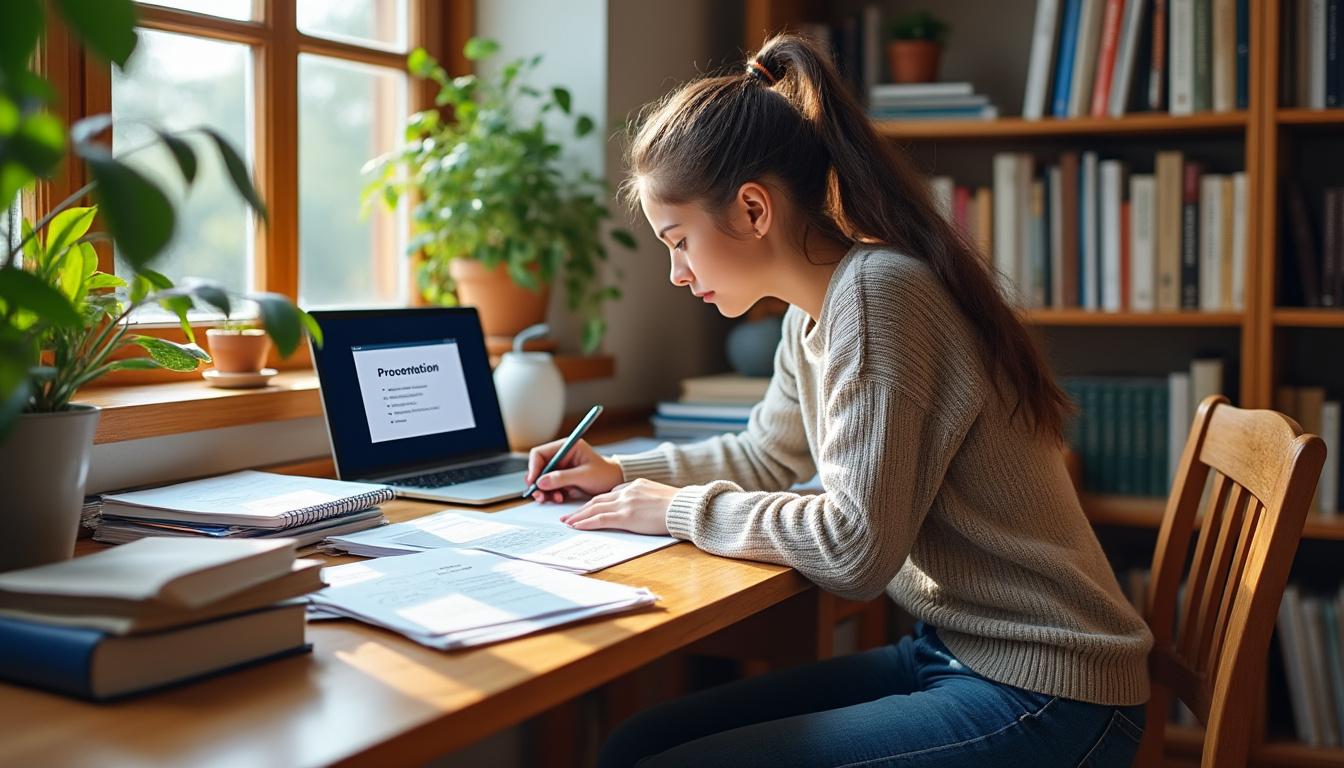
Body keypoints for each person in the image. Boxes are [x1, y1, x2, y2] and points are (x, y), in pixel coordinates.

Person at [523, 33, 1153, 768]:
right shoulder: (814, 312)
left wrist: (673, 509)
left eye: (679, 241)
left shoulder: (881, 295)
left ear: (754, 210)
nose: (675, 272)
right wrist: (628, 476)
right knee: (637, 743)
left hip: (1049, 690)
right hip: (955, 651)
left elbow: (853, 548)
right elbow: (766, 452)